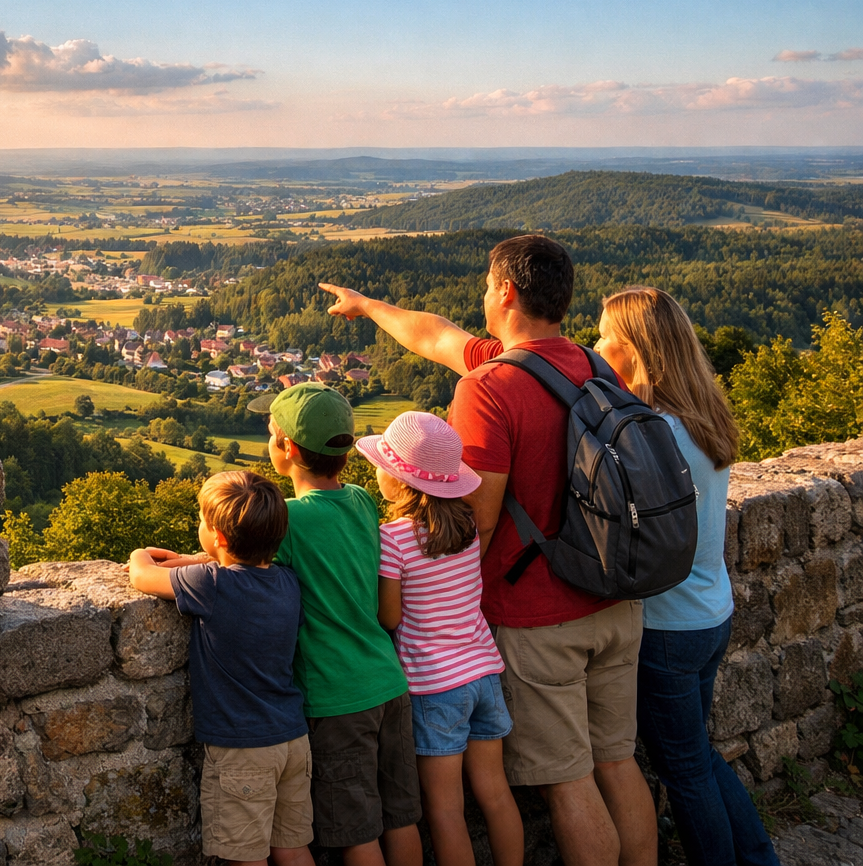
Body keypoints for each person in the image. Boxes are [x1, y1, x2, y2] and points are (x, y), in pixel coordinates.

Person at [319, 234, 657, 866]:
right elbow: (435, 334)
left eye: (484, 284)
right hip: (615, 595)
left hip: (540, 615)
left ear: (505, 291)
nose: (478, 295)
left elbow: (472, 525)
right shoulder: (590, 365)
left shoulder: (489, 387)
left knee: (569, 777)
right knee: (618, 761)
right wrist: (367, 307)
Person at [594, 287, 779, 866]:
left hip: (670, 626)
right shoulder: (700, 418)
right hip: (710, 608)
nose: (595, 345)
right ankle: (757, 857)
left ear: (632, 349)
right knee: (698, 755)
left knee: (685, 769)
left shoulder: (653, 435)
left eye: (604, 335)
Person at [257, 382, 422, 866]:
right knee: (402, 818)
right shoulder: (361, 501)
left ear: (286, 448)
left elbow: (235, 559)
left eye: (271, 432)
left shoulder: (286, 521)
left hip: (336, 698)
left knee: (357, 830)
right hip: (389, 682)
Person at [128, 471, 314, 866]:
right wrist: (205, 557)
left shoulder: (211, 585)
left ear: (221, 538)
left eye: (202, 520)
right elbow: (232, 566)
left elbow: (142, 576)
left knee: (244, 857)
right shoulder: (288, 581)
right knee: (292, 849)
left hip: (243, 749)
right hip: (293, 740)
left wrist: (139, 553)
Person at [364, 411, 523, 866]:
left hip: (435, 686)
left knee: (445, 808)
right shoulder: (467, 526)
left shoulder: (393, 538)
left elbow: (391, 616)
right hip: (483, 673)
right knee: (495, 794)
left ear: (398, 480)